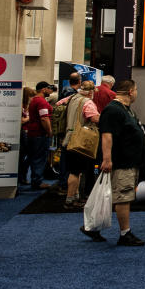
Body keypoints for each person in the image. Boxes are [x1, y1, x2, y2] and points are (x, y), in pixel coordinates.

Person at [82, 79, 145, 247]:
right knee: (122, 197)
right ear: (130, 91)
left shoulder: (125, 110)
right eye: (136, 89)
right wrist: (107, 159)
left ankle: (92, 226)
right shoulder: (113, 110)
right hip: (121, 162)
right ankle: (125, 233)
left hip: (129, 161)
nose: (137, 93)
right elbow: (107, 135)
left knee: (114, 196)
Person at [62, 81, 99, 211]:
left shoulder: (71, 98)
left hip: (68, 137)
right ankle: (70, 199)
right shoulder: (87, 102)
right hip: (79, 140)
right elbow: (94, 118)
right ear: (90, 92)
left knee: (74, 171)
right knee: (75, 172)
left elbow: (58, 105)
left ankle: (75, 196)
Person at [23, 81, 54, 190]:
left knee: (34, 157)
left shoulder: (34, 101)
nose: (50, 90)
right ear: (43, 89)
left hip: (33, 133)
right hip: (39, 134)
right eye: (49, 88)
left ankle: (32, 179)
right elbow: (44, 118)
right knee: (39, 158)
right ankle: (37, 181)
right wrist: (49, 132)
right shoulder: (41, 102)